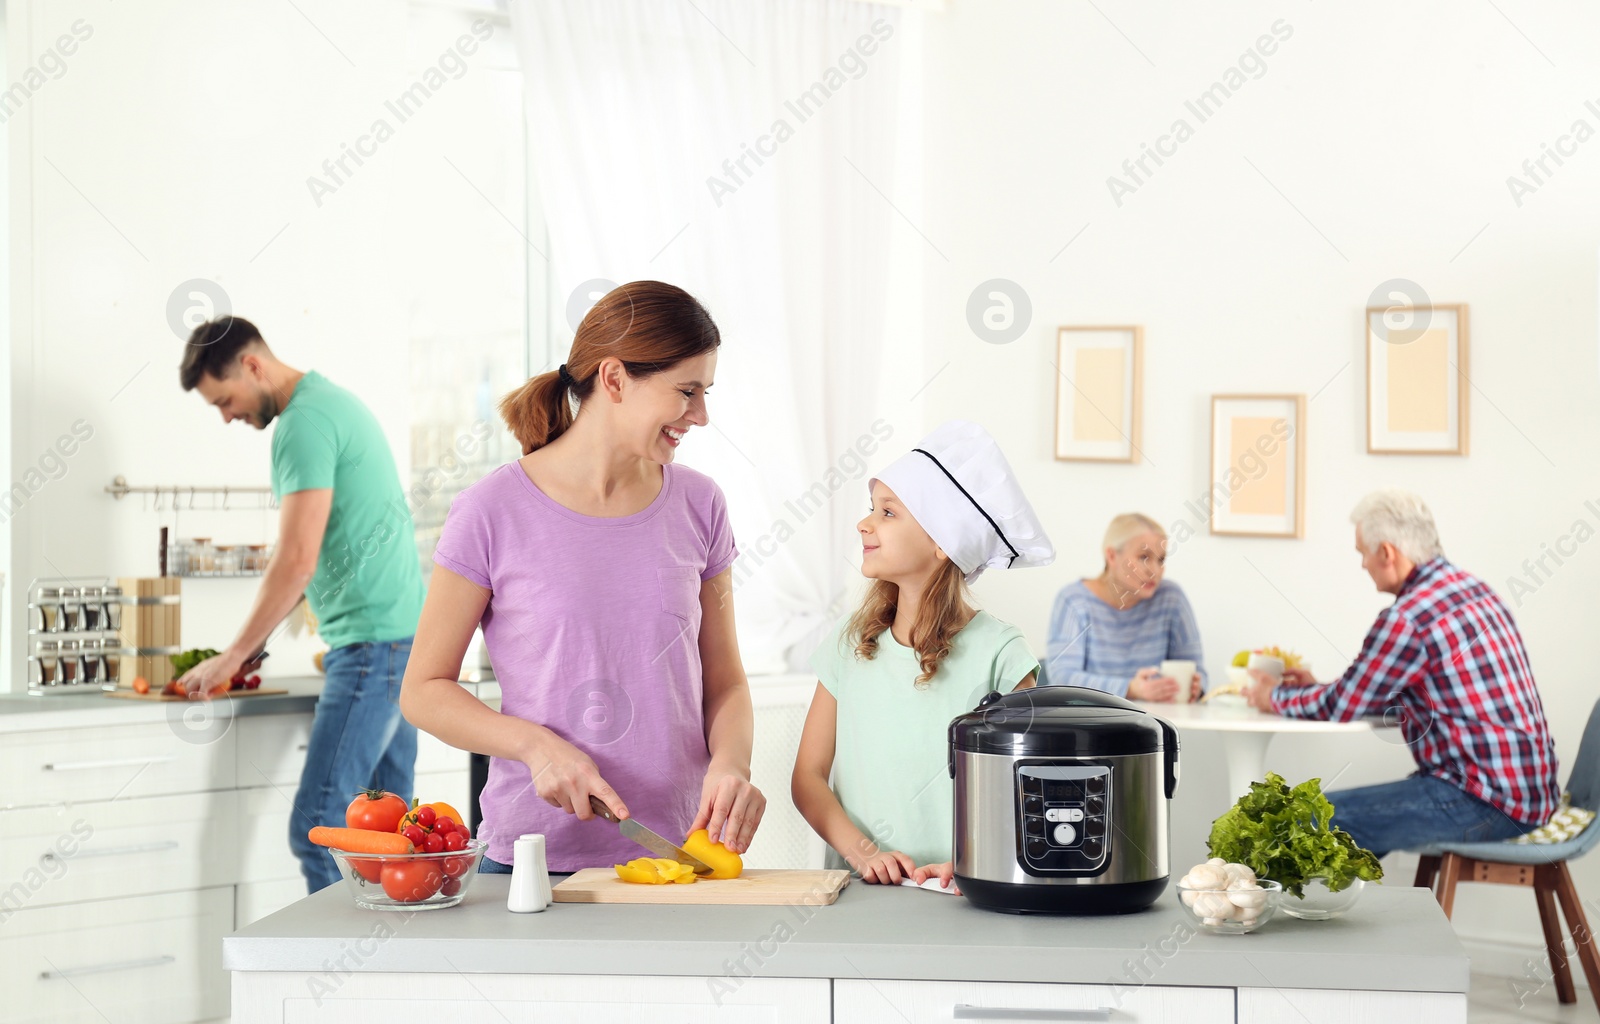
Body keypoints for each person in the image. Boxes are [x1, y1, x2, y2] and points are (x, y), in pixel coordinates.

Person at [399, 281, 765, 874]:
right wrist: (535, 746)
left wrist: (732, 764)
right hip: (536, 862)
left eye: (706, 393)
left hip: (675, 857)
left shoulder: (700, 505)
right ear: (614, 378)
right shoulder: (491, 510)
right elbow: (423, 690)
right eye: (688, 392)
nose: (701, 415)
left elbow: (724, 682)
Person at [179, 317, 426, 892]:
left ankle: (342, 979)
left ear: (253, 366)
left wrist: (235, 654)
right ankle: (396, 976)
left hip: (371, 650)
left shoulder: (302, 424)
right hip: (402, 641)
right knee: (398, 840)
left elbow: (296, 558)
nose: (226, 416)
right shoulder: (334, 403)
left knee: (320, 829)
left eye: (225, 399)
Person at [793, 421, 1054, 892]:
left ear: (942, 542)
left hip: (967, 891)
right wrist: (863, 852)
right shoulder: (847, 643)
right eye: (871, 509)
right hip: (866, 891)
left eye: (888, 513)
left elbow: (1026, 787)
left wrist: (973, 860)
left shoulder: (1002, 653)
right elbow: (808, 777)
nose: (864, 523)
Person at [1246, 489, 1560, 856]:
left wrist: (1273, 697)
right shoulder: (1475, 590)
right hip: (1530, 795)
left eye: (1362, 552)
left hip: (1485, 803)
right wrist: (1319, 688)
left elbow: (1343, 705)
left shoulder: (1408, 617)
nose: (1363, 563)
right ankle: (1329, 909)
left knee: (1298, 820)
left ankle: (1258, 907)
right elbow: (1381, 695)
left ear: (1386, 553)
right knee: (1342, 826)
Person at [1043, 513, 1205, 701]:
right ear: (1111, 556)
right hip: (1092, 723)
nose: (1154, 570)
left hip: (1158, 722)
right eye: (1144, 557)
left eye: (1161, 560)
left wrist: (1197, 687)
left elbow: (1197, 671)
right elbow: (1062, 679)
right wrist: (1129, 689)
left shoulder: (1170, 597)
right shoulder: (1073, 600)